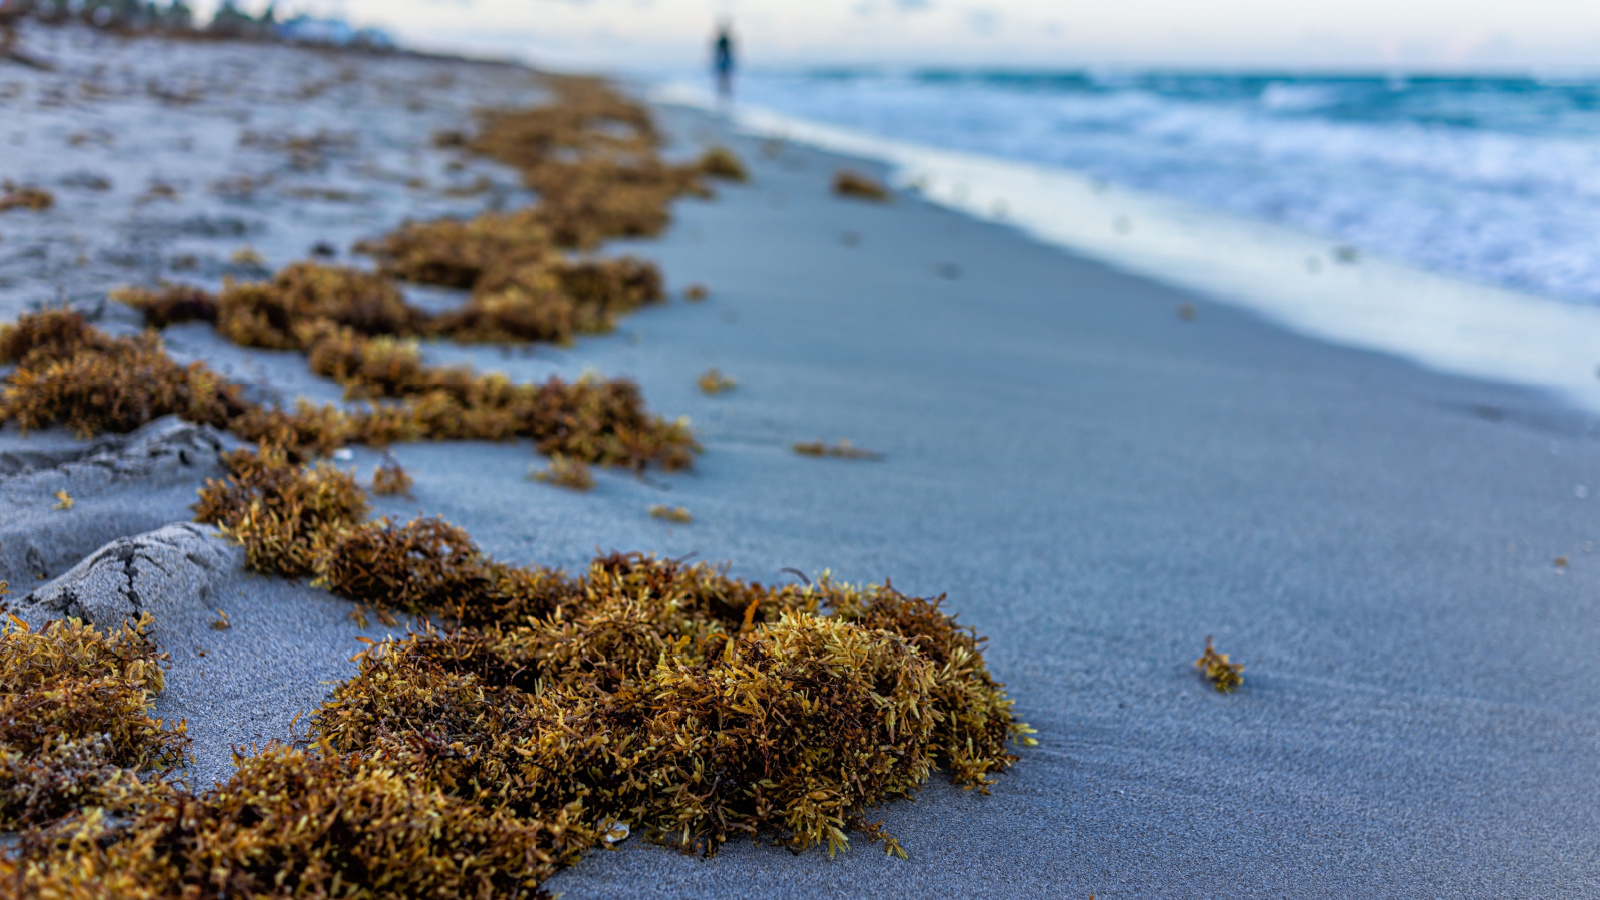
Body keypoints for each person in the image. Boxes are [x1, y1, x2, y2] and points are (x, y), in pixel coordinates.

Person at [712, 20, 735, 108]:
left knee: (723, 83)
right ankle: (725, 101)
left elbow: (720, 54)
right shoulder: (724, 41)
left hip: (723, 65)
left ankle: (723, 101)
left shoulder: (723, 41)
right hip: (724, 65)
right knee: (725, 83)